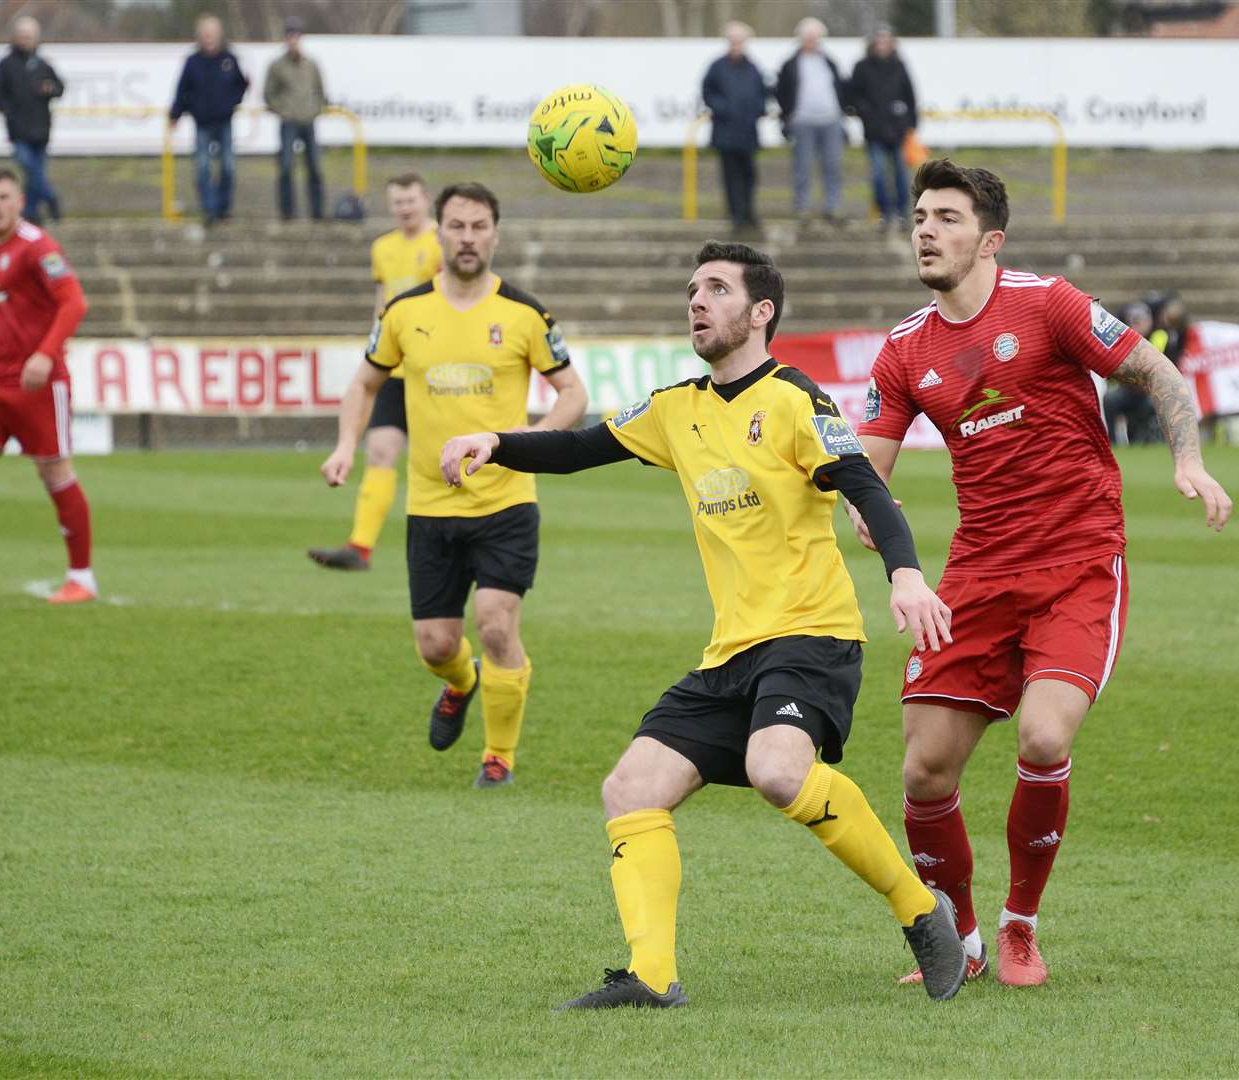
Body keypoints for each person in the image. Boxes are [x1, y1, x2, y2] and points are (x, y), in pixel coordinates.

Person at [439, 241, 967, 1010]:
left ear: (761, 313)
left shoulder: (796, 400)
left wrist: (907, 573)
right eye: (691, 288)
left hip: (812, 633)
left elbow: (863, 485)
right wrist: (497, 442)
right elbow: (580, 447)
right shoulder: (674, 408)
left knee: (777, 769)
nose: (696, 300)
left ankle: (923, 913)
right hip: (732, 650)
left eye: (716, 289)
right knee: (630, 788)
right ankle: (651, 976)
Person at [851, 159, 1232, 988]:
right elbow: (867, 472)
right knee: (924, 769)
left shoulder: (1048, 303)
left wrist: (1189, 459)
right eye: (920, 216)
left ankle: (1021, 925)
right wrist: (866, 514)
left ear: (989, 240)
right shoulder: (905, 347)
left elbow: (1158, 373)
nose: (926, 230)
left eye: (946, 218)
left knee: (1044, 734)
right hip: (979, 573)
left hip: (1076, 561)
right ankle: (964, 937)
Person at [319, 181, 588, 788]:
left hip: (506, 500)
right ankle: (460, 682)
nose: (468, 238)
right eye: (458, 226)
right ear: (438, 231)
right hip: (431, 506)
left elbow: (573, 393)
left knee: (496, 623)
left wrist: (535, 439)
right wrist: (344, 446)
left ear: (495, 233)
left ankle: (498, 758)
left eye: (479, 227)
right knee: (437, 645)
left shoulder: (526, 314)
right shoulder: (403, 311)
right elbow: (364, 384)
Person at [309, 173, 441, 572]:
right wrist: (376, 346)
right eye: (397, 202)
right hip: (394, 368)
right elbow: (382, 302)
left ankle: (454, 542)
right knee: (381, 451)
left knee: (439, 461)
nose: (404, 209)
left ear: (426, 200)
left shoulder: (442, 242)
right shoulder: (382, 248)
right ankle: (360, 547)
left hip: (434, 370)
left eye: (410, 201)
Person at [0, 168, 93, 604]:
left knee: (55, 473)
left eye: (3, 196)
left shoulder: (38, 247)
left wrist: (45, 354)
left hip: (38, 385)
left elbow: (74, 301)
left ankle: (82, 577)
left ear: (19, 201)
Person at [169, 14, 249, 227]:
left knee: (228, 167)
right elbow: (182, 90)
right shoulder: (193, 62)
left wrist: (232, 103)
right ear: (199, 36)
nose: (209, 38)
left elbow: (242, 85)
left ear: (219, 35)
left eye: (212, 34)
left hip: (224, 121)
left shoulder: (229, 59)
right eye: (205, 34)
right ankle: (209, 209)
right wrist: (175, 114)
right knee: (202, 167)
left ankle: (223, 208)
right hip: (202, 123)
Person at [774, 17, 848, 224]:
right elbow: (781, 91)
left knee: (833, 166)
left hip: (831, 121)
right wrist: (789, 115)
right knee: (802, 167)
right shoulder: (790, 64)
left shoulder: (829, 62)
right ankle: (802, 207)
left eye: (815, 37)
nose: (812, 41)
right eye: (808, 37)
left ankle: (833, 207)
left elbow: (841, 87)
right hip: (803, 122)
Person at [0, 16, 64, 224]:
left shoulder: (42, 64)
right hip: (18, 130)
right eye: (22, 36)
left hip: (41, 130)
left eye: (29, 36)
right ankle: (51, 198)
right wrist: (8, 111)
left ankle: (31, 213)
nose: (25, 40)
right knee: (31, 169)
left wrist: (50, 89)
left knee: (35, 173)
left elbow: (60, 88)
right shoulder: (5, 65)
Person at [848, 25, 917, 231]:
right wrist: (865, 113)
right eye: (879, 41)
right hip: (874, 131)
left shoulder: (899, 66)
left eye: (887, 41)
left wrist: (910, 123)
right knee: (878, 174)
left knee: (901, 174)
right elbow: (853, 96)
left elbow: (910, 97)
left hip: (897, 131)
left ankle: (902, 212)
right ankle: (884, 213)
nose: (883, 45)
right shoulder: (862, 67)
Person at [700, 21, 767, 232]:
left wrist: (757, 109)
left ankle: (749, 212)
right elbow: (707, 92)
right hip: (726, 131)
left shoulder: (753, 67)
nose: (736, 45)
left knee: (749, 175)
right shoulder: (717, 67)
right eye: (733, 41)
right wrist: (723, 108)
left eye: (740, 41)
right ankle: (736, 214)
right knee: (731, 175)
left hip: (747, 131)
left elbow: (761, 93)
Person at [263, 16, 327, 222]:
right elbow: (268, 94)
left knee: (315, 169)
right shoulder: (277, 66)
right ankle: (287, 212)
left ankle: (317, 212)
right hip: (288, 122)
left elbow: (320, 90)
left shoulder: (311, 64)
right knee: (286, 168)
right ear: (285, 38)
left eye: (296, 35)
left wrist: (315, 109)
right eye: (290, 35)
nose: (293, 40)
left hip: (308, 121)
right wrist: (282, 110)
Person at [1103, 300, 1157, 445]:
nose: (1139, 324)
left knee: (1150, 405)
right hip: (1126, 389)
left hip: (1148, 392)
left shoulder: (1159, 337)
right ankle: (1113, 442)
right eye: (1135, 320)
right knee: (1109, 399)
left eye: (1142, 320)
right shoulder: (1120, 340)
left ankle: (1143, 441)